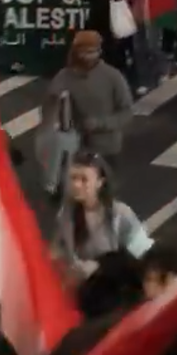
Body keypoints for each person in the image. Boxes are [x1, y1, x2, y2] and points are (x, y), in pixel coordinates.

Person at [51, 152, 153, 282]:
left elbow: (142, 253)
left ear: (100, 182)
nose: (76, 185)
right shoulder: (66, 214)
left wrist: (99, 267)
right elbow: (59, 248)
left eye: (84, 179)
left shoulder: (120, 214)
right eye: (73, 178)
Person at [48, 31, 133, 171]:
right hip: (74, 148)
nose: (89, 56)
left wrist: (100, 123)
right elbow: (51, 106)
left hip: (106, 148)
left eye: (93, 52)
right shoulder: (64, 77)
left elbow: (127, 112)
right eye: (84, 52)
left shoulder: (112, 76)